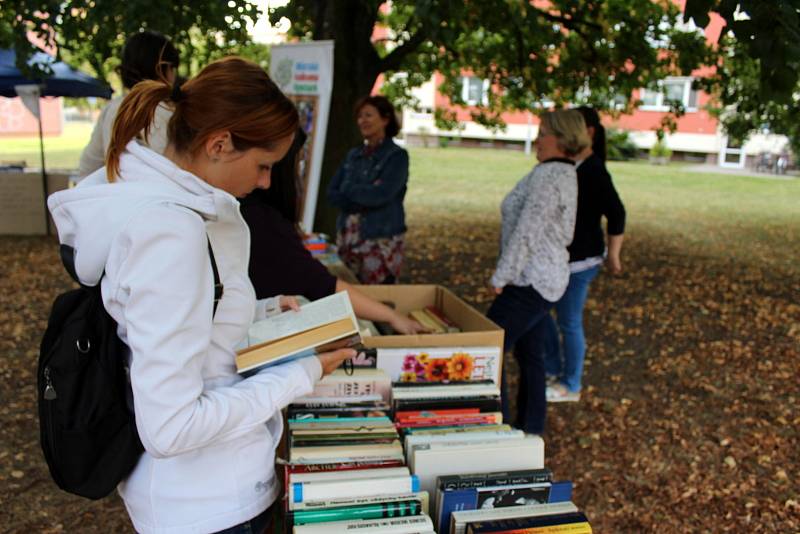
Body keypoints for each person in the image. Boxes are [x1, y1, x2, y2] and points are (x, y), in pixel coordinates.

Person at [48, 57, 354, 534]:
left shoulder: (170, 213)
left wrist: (264, 314)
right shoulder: (171, 233)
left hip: (209, 490)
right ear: (218, 144)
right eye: (263, 165)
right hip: (205, 502)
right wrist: (303, 372)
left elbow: (187, 320)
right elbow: (172, 427)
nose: (265, 182)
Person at [241, 128, 426, 334]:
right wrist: (391, 316)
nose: (265, 181)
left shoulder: (252, 214)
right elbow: (321, 284)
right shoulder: (262, 220)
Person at [486, 109, 590, 435]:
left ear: (560, 139)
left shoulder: (551, 176)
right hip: (543, 279)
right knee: (531, 353)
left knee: (490, 350)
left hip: (530, 281)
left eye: (543, 132)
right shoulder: (556, 172)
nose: (538, 139)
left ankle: (496, 429)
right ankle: (531, 428)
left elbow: (527, 233)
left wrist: (501, 277)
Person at [544, 106, 626, 403]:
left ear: (587, 132)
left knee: (568, 321)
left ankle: (571, 384)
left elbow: (617, 213)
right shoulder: (569, 167)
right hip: (560, 259)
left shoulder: (594, 169)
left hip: (581, 263)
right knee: (543, 316)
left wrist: (614, 255)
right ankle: (553, 369)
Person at [327, 95, 409, 284]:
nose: (362, 120)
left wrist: (348, 190)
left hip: (380, 241)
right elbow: (332, 192)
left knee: (378, 298)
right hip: (348, 239)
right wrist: (362, 193)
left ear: (385, 119)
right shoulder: (353, 155)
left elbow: (381, 195)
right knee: (349, 295)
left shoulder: (397, 157)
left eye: (368, 115)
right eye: (359, 116)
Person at [77, 30, 178, 177]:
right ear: (164, 67)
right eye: (173, 69)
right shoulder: (163, 113)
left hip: (118, 196)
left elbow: (89, 166)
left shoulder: (112, 108)